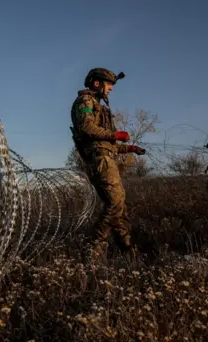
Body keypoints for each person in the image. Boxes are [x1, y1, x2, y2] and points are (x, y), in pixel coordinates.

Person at [69, 68, 146, 266]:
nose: (111, 88)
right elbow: (87, 129)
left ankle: (129, 252)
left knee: (120, 208)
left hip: (106, 158)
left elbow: (107, 144)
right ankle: (92, 249)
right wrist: (115, 134)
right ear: (97, 84)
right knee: (115, 204)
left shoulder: (98, 106)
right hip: (99, 161)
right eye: (109, 84)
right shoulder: (85, 102)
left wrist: (129, 148)